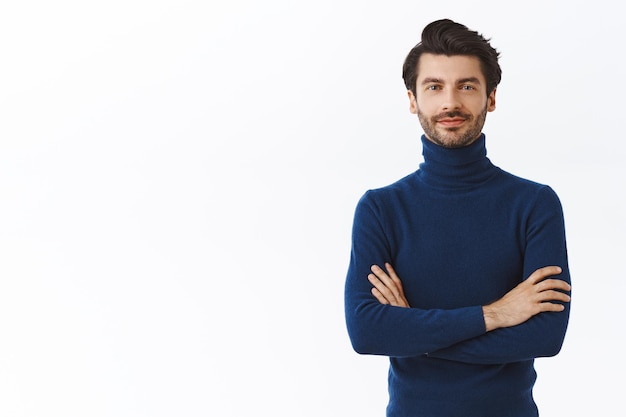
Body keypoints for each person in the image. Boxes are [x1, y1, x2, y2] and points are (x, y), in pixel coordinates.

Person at [344, 18, 571, 417]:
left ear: (491, 97)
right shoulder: (380, 209)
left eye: (467, 86)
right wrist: (496, 315)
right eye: (434, 87)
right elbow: (366, 332)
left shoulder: (535, 204)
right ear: (413, 99)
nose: (450, 102)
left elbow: (545, 336)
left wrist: (413, 330)